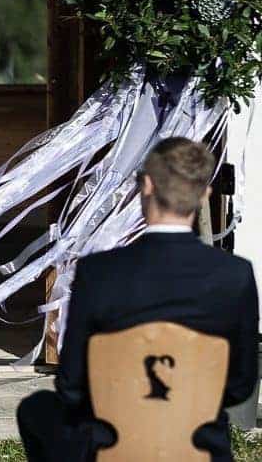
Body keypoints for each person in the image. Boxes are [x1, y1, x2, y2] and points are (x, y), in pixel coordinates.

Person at [17, 137, 259, 462]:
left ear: (146, 185)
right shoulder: (235, 274)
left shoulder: (97, 272)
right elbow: (240, 385)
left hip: (112, 447)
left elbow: (72, 385)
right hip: (198, 449)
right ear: (204, 194)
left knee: (36, 408)